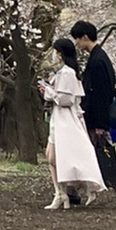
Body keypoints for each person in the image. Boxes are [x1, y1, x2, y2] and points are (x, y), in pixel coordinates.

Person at [71, 23, 116, 203]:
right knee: (97, 153)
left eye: (77, 38)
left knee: (101, 153)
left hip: (96, 118)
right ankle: (74, 189)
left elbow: (102, 95)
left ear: (84, 37)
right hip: (94, 117)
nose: (76, 43)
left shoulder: (98, 61)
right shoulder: (98, 57)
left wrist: (100, 123)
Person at [40, 38, 105, 210]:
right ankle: (60, 193)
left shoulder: (67, 73)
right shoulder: (63, 73)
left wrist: (48, 92)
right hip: (59, 118)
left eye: (55, 52)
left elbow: (65, 99)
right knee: (51, 156)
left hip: (66, 119)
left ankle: (66, 191)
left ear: (60, 53)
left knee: (58, 156)